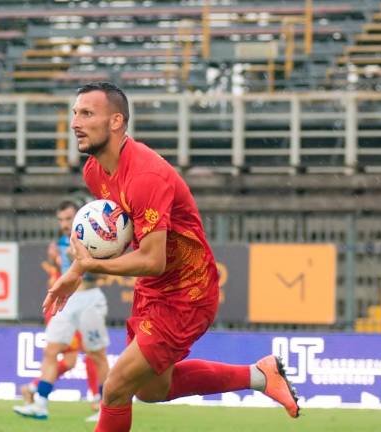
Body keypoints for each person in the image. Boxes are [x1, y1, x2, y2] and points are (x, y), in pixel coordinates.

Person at [43, 82, 300, 432]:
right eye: (75, 113)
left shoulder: (145, 175)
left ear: (116, 121)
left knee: (116, 388)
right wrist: (77, 269)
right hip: (152, 289)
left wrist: (88, 265)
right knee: (150, 390)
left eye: (87, 113)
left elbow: (153, 259)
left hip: (186, 293)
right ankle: (260, 375)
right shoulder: (94, 172)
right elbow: (119, 238)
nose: (75, 122)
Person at [14, 200, 109, 422]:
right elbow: (63, 270)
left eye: (68, 218)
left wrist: (82, 260)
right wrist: (58, 260)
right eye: (61, 220)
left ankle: (105, 408)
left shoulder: (94, 238)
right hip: (68, 300)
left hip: (90, 299)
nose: (65, 224)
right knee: (51, 351)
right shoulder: (61, 242)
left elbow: (100, 275)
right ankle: (40, 404)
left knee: (97, 355)